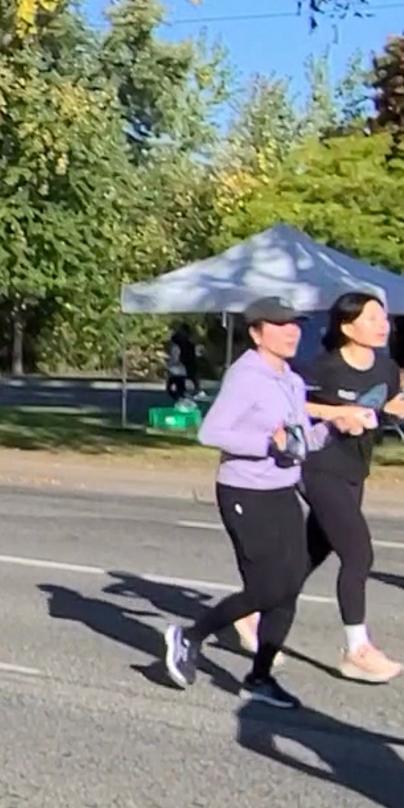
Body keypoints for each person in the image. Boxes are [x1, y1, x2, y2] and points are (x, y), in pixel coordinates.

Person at [163, 296, 331, 710]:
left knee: (289, 590)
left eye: (296, 324)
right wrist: (264, 445)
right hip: (245, 492)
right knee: (267, 588)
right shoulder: (247, 375)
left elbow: (298, 441)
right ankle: (190, 636)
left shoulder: (290, 379)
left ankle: (259, 676)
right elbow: (211, 433)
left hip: (283, 491)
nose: (292, 331)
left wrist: (341, 426)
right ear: (257, 332)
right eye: (280, 325)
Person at [270, 292, 404, 682]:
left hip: (354, 469)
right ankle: (357, 650)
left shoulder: (385, 368)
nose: (382, 325)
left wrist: (394, 409)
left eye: (384, 317)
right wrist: (337, 413)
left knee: (312, 552)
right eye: (371, 319)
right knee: (358, 554)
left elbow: (380, 410)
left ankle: (254, 610)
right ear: (347, 327)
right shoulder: (324, 367)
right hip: (319, 467)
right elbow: (290, 402)